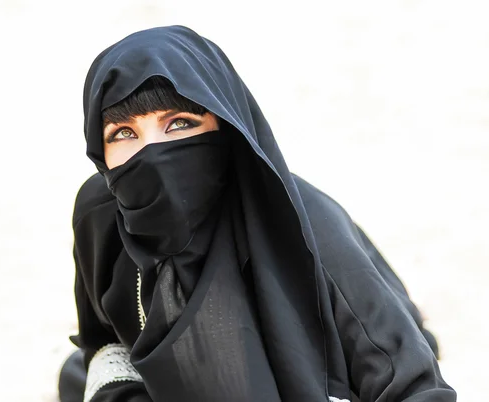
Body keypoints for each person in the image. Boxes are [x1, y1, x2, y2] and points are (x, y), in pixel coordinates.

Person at [58, 25, 456, 402]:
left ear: (225, 125)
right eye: (123, 133)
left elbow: (413, 384)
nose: (152, 153)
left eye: (179, 123)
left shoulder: (302, 224)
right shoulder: (101, 215)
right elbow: (103, 338)